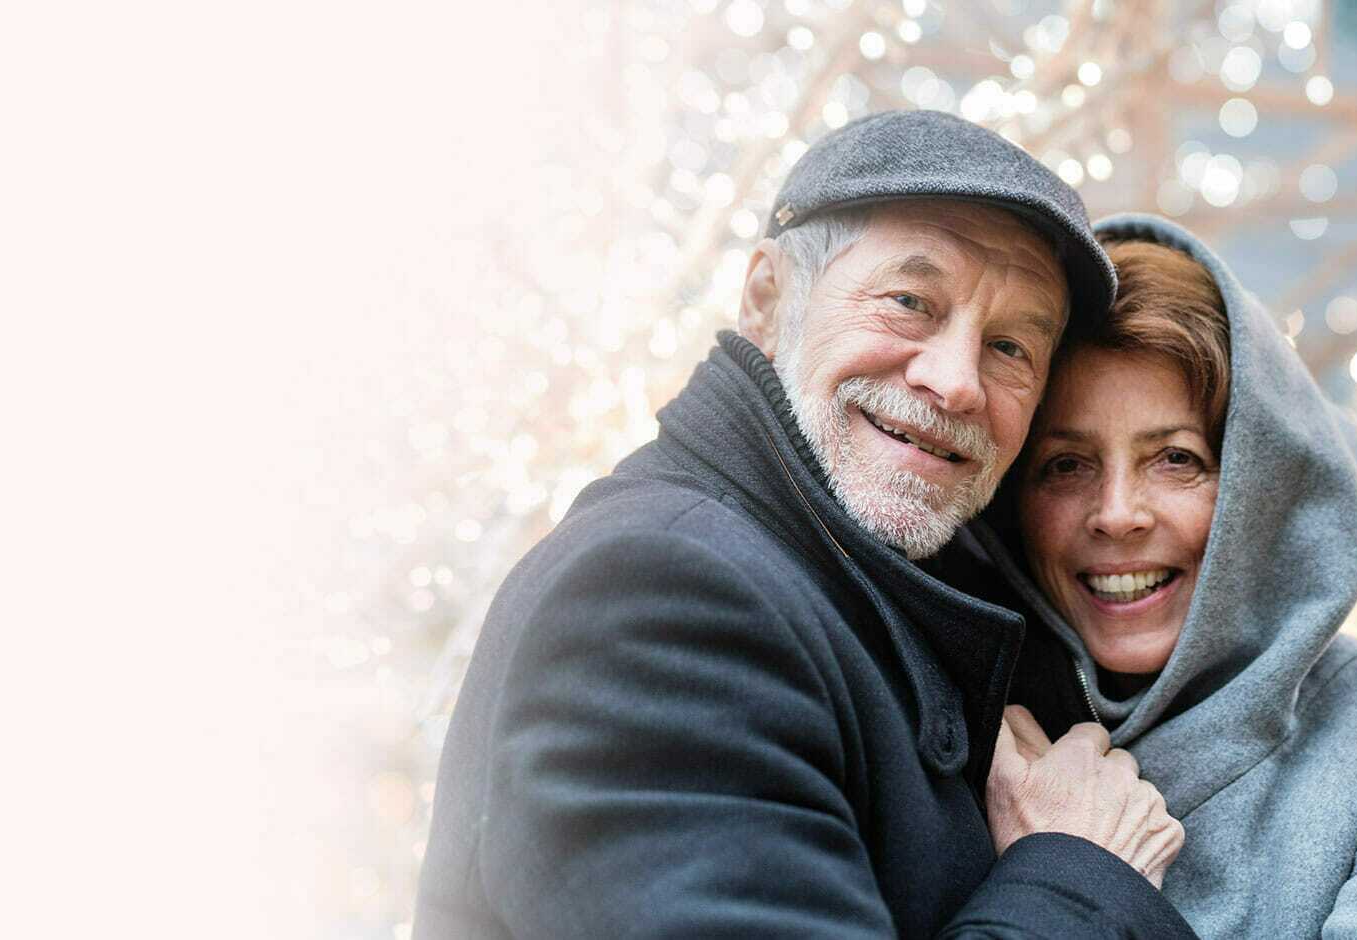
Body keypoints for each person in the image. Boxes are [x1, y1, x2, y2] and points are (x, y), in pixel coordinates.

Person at [414, 112, 1194, 938]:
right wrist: (1078, 875)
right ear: (767, 299)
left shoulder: (870, 588)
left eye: (1009, 348)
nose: (957, 382)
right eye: (910, 302)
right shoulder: (661, 599)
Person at [969, 214, 1357, 937]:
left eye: (1176, 459)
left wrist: (1073, 882)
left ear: (1264, 484)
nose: (1116, 515)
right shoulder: (952, 726)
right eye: (1066, 465)